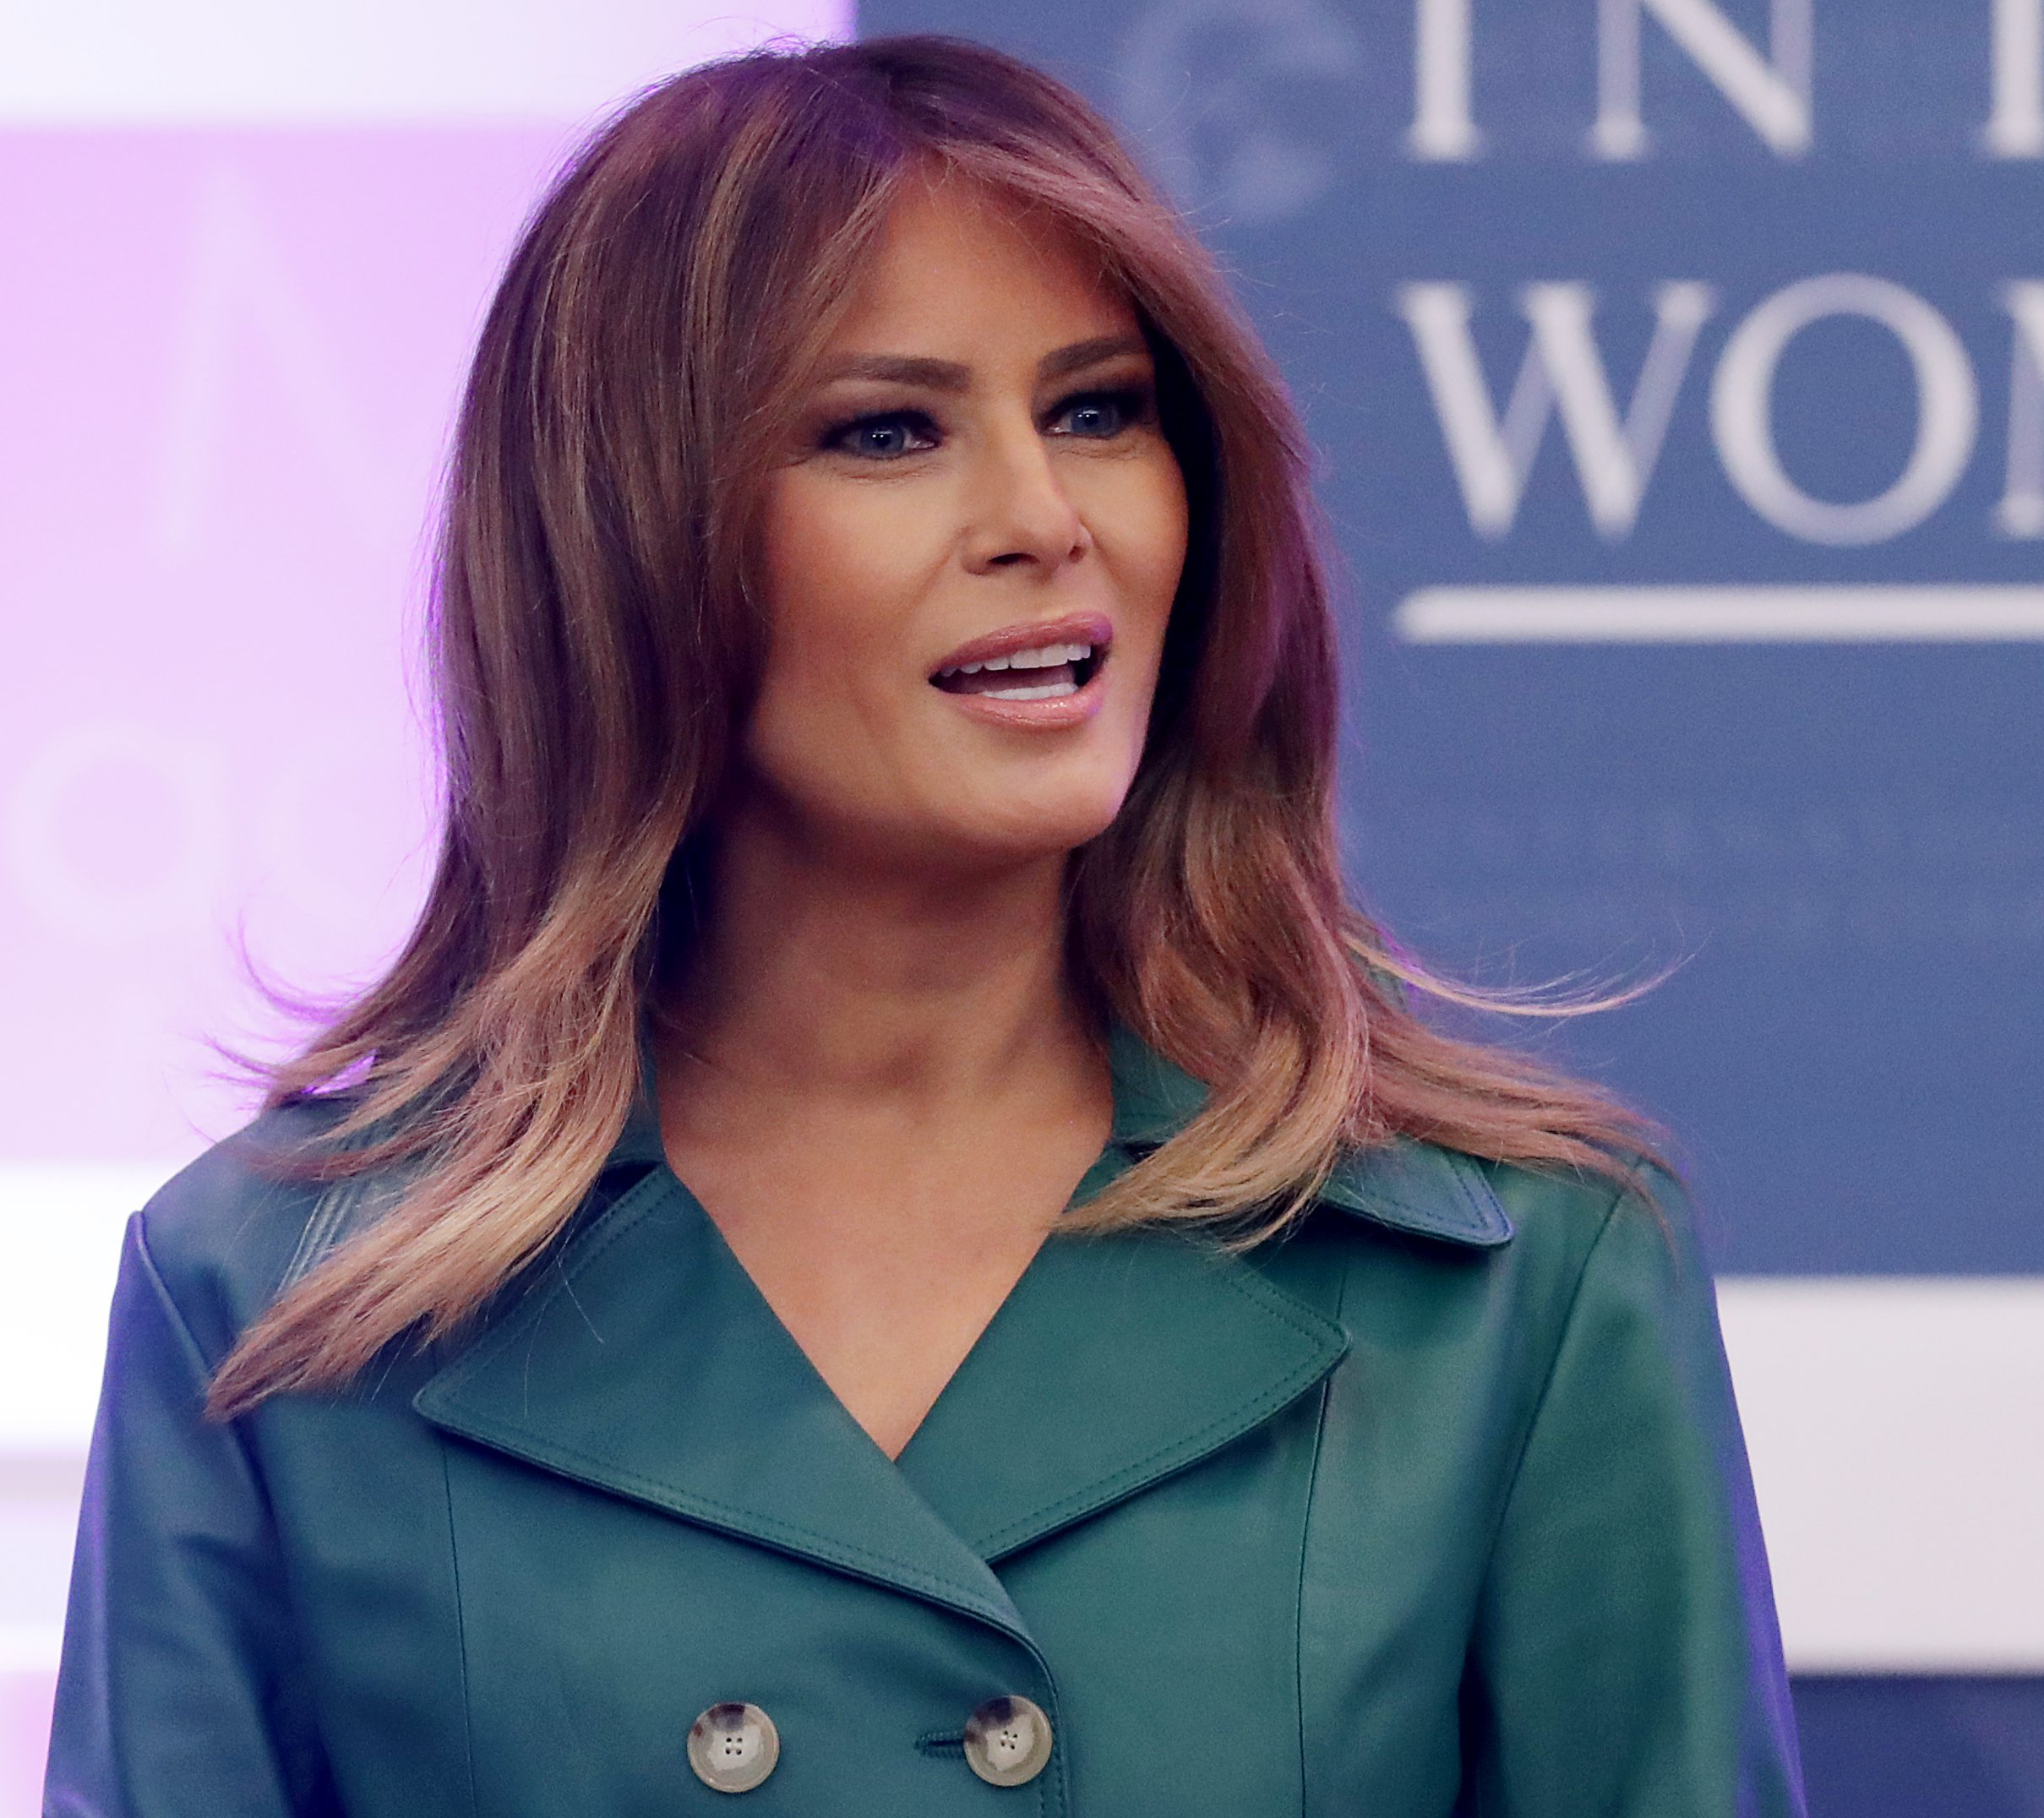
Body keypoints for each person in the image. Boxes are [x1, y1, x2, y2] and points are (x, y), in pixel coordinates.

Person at [44, 34, 1803, 1817]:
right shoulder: (277, 1304)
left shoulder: (1525, 1276)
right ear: (632, 537)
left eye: (1100, 410)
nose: (1046, 521)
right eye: (888, 431)